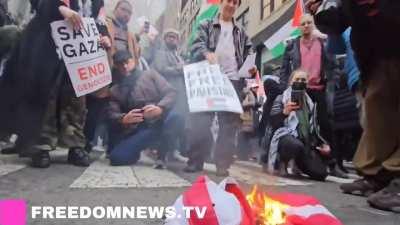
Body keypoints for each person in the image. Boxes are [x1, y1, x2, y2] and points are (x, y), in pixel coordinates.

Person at [307, 0, 400, 212]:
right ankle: (376, 176)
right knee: (379, 111)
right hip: (380, 52)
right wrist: (320, 14)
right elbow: (342, 18)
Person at [0, 0, 110, 168]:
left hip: (78, 53)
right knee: (46, 97)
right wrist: (60, 8)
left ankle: (75, 145)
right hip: (47, 45)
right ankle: (41, 145)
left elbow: (99, 18)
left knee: (76, 99)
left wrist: (104, 36)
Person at [184, 0, 254, 177]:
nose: (231, 5)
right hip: (208, 77)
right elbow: (196, 45)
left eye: (235, 3)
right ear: (221, 3)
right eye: (228, 1)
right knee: (200, 121)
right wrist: (207, 53)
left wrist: (251, 68)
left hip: (232, 81)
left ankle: (222, 164)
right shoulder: (206, 24)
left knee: (229, 126)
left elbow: (249, 53)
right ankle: (195, 160)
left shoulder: (241, 32)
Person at [278, 14, 346, 177]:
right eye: (303, 23)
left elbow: (333, 65)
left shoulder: (323, 43)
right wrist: (285, 88)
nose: (306, 25)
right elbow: (284, 69)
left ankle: (333, 164)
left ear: (313, 25)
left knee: (326, 125)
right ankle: (298, 162)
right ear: (299, 27)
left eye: (309, 23)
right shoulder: (292, 46)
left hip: (320, 89)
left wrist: (333, 83)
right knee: (302, 127)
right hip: (300, 90)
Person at [107, 50, 183, 169]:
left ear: (133, 61)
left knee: (177, 117)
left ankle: (162, 154)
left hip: (161, 121)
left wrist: (160, 108)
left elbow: (171, 92)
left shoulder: (150, 75)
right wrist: (123, 119)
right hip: (140, 129)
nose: (125, 66)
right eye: (120, 64)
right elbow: (111, 113)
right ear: (116, 66)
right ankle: (138, 151)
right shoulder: (115, 90)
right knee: (117, 158)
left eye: (127, 62)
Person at [268, 70, 330, 181]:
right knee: (294, 145)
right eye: (297, 79)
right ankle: (283, 162)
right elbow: (272, 124)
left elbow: (314, 128)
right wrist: (284, 112)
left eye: (303, 80)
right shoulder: (281, 98)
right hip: (285, 138)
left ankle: (298, 164)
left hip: (305, 142)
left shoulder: (310, 103)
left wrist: (323, 144)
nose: (300, 82)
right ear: (291, 82)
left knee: (321, 174)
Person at [106, 0, 139, 67]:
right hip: (110, 68)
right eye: (123, 9)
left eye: (129, 13)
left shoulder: (131, 35)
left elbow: (135, 58)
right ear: (115, 10)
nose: (126, 14)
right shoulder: (104, 25)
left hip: (127, 71)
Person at [238, 82, 261, 161]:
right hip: (245, 117)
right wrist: (254, 104)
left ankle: (243, 154)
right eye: (254, 87)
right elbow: (248, 103)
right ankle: (242, 155)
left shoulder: (250, 93)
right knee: (244, 136)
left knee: (245, 137)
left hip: (247, 117)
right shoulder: (248, 93)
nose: (256, 89)